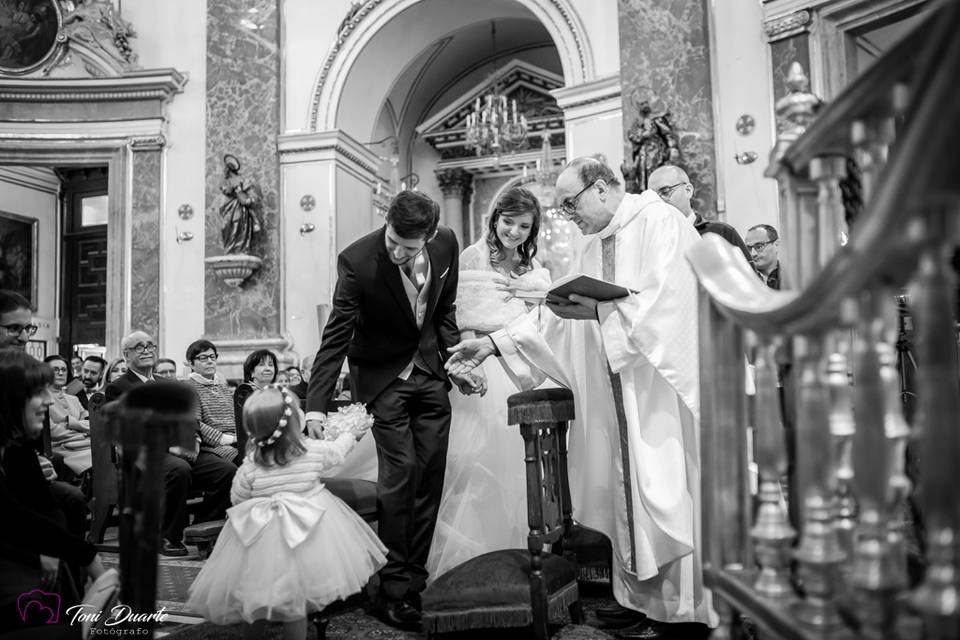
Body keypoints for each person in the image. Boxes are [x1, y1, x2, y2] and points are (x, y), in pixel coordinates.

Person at [446, 156, 717, 638]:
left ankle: (682, 608)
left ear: (601, 188)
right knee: (623, 493)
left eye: (570, 205)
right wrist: (490, 344)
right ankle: (637, 600)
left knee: (667, 489)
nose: (568, 217)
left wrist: (600, 310)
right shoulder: (592, 245)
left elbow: (671, 307)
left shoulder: (661, 222)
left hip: (657, 396)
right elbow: (551, 316)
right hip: (615, 396)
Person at [305, 190, 475, 631]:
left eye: (408, 246)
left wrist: (456, 362)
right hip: (383, 381)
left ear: (430, 236)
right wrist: (316, 407)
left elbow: (445, 312)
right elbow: (336, 336)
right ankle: (392, 589)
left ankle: (412, 580)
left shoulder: (446, 244)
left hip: (432, 376)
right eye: (393, 240)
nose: (397, 251)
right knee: (400, 475)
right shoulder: (357, 261)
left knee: (430, 475)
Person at [186, 386, 386, 640]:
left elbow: (238, 496)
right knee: (295, 605)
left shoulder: (251, 462)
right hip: (306, 535)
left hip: (260, 539)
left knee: (254, 600)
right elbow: (337, 452)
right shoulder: (310, 450)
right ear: (295, 422)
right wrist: (351, 434)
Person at [426, 186, 551, 580]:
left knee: (523, 462)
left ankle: (518, 552)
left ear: (533, 231)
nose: (513, 231)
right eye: (508, 222)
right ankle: (468, 559)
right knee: (477, 461)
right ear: (495, 219)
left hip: (521, 368)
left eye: (523, 226)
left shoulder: (533, 268)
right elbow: (463, 317)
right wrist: (468, 365)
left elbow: (542, 322)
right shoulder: (474, 256)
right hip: (482, 367)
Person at [0, 348, 105, 635]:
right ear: (9, 399)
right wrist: (85, 556)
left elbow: (20, 510)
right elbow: (10, 515)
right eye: (37, 393)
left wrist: (82, 555)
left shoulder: (14, 446)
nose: (48, 400)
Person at [105, 331, 236, 556]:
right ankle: (168, 535)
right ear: (126, 355)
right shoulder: (119, 387)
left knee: (226, 470)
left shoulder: (168, 383)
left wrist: (192, 439)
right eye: (139, 347)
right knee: (179, 469)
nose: (147, 350)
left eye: (150, 345)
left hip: (184, 447)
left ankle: (201, 527)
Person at [648, 164, 752, 264]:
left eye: (665, 191)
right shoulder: (650, 239)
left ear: (688, 190)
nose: (659, 201)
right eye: (653, 196)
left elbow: (750, 278)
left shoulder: (721, 232)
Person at [184, 340, 240, 465]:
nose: (210, 361)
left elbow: (234, 417)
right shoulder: (189, 388)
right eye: (203, 358)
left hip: (236, 439)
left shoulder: (221, 385)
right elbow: (195, 424)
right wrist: (225, 439)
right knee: (245, 458)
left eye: (212, 357)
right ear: (191, 364)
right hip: (212, 446)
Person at [43, 355, 92, 477]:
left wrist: (71, 423)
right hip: (62, 449)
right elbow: (52, 431)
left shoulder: (74, 399)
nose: (60, 373)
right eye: (55, 369)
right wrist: (83, 432)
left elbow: (90, 423)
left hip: (85, 445)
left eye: (64, 370)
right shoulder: (40, 399)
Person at [233, 349, 279, 453]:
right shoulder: (246, 392)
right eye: (262, 365)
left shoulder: (276, 392)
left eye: (271, 365)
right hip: (254, 445)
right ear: (251, 372)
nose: (268, 368)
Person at [219, 153, 264, 255]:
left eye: (225, 168)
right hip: (228, 209)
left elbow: (251, 195)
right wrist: (233, 188)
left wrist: (243, 195)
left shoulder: (242, 179)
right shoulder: (226, 182)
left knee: (238, 226)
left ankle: (240, 249)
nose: (223, 171)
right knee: (225, 227)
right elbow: (225, 190)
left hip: (240, 208)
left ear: (229, 169)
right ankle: (229, 249)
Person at [746, 223, 783, 290]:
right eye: (749, 249)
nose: (753, 254)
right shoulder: (743, 279)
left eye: (759, 247)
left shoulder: (792, 277)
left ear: (776, 245)